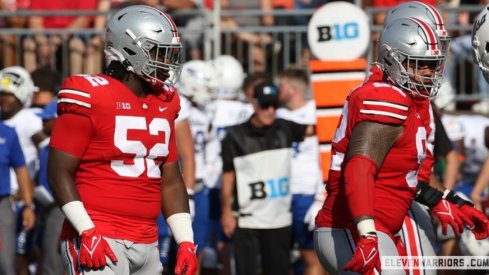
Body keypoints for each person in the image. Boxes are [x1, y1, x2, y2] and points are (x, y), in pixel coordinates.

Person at [47, 5, 197, 275]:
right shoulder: (89, 94)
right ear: (130, 48)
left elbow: (171, 179)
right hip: (99, 236)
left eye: (171, 53)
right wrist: (87, 231)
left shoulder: (165, 100)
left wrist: (185, 241)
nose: (167, 61)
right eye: (158, 51)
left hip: (148, 240)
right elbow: (58, 173)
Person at [314, 17, 448, 274]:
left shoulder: (408, 101)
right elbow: (359, 168)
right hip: (351, 225)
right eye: (420, 65)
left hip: (382, 224)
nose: (429, 73)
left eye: (433, 65)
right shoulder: (386, 97)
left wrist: (442, 200)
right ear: (392, 60)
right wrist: (366, 232)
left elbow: (401, 178)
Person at [220, 80, 315, 275]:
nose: (271, 110)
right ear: (254, 104)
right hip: (248, 221)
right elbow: (228, 176)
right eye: (265, 105)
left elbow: (317, 129)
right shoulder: (235, 136)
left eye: (275, 105)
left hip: (279, 220)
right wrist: (226, 211)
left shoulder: (285, 128)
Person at [275, 68, 326, 275]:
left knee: (311, 255)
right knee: (279, 257)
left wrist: (321, 195)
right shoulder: (275, 113)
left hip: (308, 193)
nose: (278, 89)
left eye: (282, 85)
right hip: (279, 193)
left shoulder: (317, 112)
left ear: (293, 89)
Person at [0, 65, 43, 275]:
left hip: (19, 197)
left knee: (19, 253)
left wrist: (35, 186)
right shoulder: (4, 124)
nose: (4, 99)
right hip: (10, 196)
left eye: (9, 95)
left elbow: (47, 151)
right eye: (2, 94)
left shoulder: (29, 119)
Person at [0, 121, 35, 275]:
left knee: (5, 262)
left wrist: (28, 206)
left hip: (2, 204)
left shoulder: (7, 133)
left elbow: (21, 170)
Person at [36, 99, 65, 275]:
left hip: (60, 207)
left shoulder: (62, 146)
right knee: (48, 251)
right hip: (47, 207)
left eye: (46, 119)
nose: (42, 123)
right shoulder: (47, 145)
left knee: (53, 256)